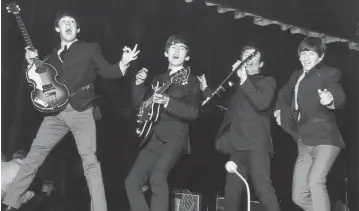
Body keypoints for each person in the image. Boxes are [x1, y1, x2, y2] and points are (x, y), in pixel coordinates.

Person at [2, 10, 139, 211]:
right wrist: (31, 62)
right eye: (64, 22)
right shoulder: (49, 59)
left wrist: (123, 63)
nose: (68, 24)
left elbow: (108, 71)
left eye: (72, 22)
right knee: (32, 158)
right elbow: (38, 83)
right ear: (57, 28)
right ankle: (9, 205)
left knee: (90, 161)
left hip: (81, 110)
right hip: (55, 114)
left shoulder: (90, 49)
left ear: (78, 29)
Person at [198, 43, 281, 211]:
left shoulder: (267, 82)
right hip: (237, 147)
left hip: (257, 145)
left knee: (263, 188)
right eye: (246, 55)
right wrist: (207, 91)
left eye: (254, 55)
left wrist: (244, 79)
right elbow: (224, 110)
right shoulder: (236, 88)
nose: (249, 58)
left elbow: (262, 103)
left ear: (261, 63)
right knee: (231, 194)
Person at [125, 35, 201, 211]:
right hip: (152, 138)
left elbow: (193, 112)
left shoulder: (191, 80)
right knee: (131, 182)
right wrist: (138, 83)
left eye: (182, 48)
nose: (176, 51)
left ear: (187, 57)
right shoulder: (157, 79)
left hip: (175, 138)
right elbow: (141, 107)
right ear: (166, 53)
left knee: (157, 177)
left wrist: (168, 101)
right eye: (173, 47)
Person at [274, 37, 345, 211]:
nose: (306, 57)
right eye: (303, 53)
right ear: (299, 56)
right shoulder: (296, 76)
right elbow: (283, 94)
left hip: (325, 139)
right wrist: (278, 111)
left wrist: (330, 99)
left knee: (315, 181)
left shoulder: (328, 73)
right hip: (304, 142)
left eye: (311, 54)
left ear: (320, 58)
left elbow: (338, 94)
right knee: (298, 196)